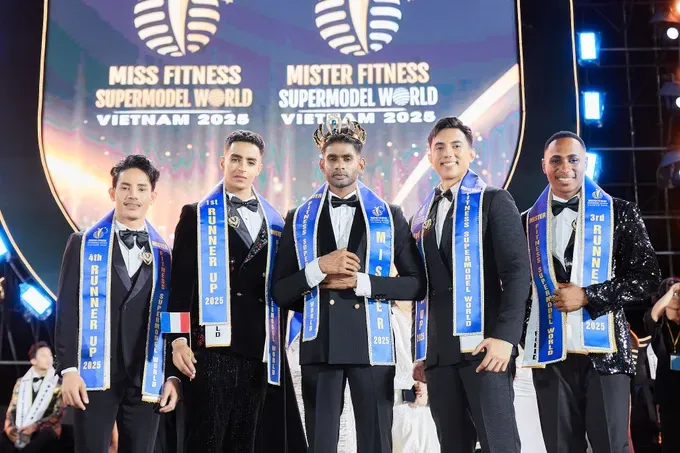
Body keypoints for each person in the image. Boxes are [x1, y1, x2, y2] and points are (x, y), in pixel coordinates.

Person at [272, 115, 426, 453]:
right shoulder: (298, 218)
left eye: (346, 158)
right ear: (321, 164)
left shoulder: (389, 215)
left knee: (376, 442)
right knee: (321, 444)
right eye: (332, 159)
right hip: (319, 345)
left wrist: (362, 282)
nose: (339, 165)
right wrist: (318, 270)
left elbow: (416, 285)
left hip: (373, 346)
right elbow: (280, 292)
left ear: (361, 163)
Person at [522, 131, 661, 453]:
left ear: (586, 163)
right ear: (544, 165)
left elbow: (648, 277)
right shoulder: (525, 222)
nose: (565, 167)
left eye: (573, 159)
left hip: (606, 354)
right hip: (550, 356)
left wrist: (588, 296)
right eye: (556, 160)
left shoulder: (619, 212)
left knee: (611, 446)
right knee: (560, 447)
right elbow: (517, 289)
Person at [169, 130, 302, 453]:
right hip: (209, 349)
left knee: (244, 443)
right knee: (205, 441)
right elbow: (179, 287)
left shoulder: (277, 223)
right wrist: (177, 340)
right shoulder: (196, 214)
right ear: (222, 162)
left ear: (260, 168)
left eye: (250, 162)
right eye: (236, 159)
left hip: (259, 349)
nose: (242, 167)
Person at [409, 116, 530, 453]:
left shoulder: (494, 199)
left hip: (486, 348)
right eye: (440, 147)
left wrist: (506, 338)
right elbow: (423, 287)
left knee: (499, 445)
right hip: (439, 356)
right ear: (430, 156)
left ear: (471, 153)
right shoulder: (421, 216)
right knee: (452, 446)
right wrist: (422, 350)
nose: (448, 153)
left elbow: (517, 271)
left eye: (456, 146)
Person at [55, 155, 179, 453]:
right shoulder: (82, 243)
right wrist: (68, 369)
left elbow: (174, 313)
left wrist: (173, 375)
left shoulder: (165, 253)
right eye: (125, 187)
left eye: (141, 188)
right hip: (94, 374)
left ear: (152, 196)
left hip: (146, 376)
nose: (132, 195)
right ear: (112, 192)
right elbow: (66, 310)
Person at [1, 342, 64, 453]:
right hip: (21, 427)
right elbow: (12, 408)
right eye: (44, 356)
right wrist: (9, 427)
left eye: (50, 355)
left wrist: (35, 426)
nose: (48, 359)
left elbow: (57, 413)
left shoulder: (58, 383)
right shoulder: (21, 382)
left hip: (46, 429)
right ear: (33, 361)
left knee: (42, 439)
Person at [643, 278, 680, 452]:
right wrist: (672, 290)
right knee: (671, 444)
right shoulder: (660, 328)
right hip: (668, 396)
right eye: (672, 298)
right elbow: (653, 315)